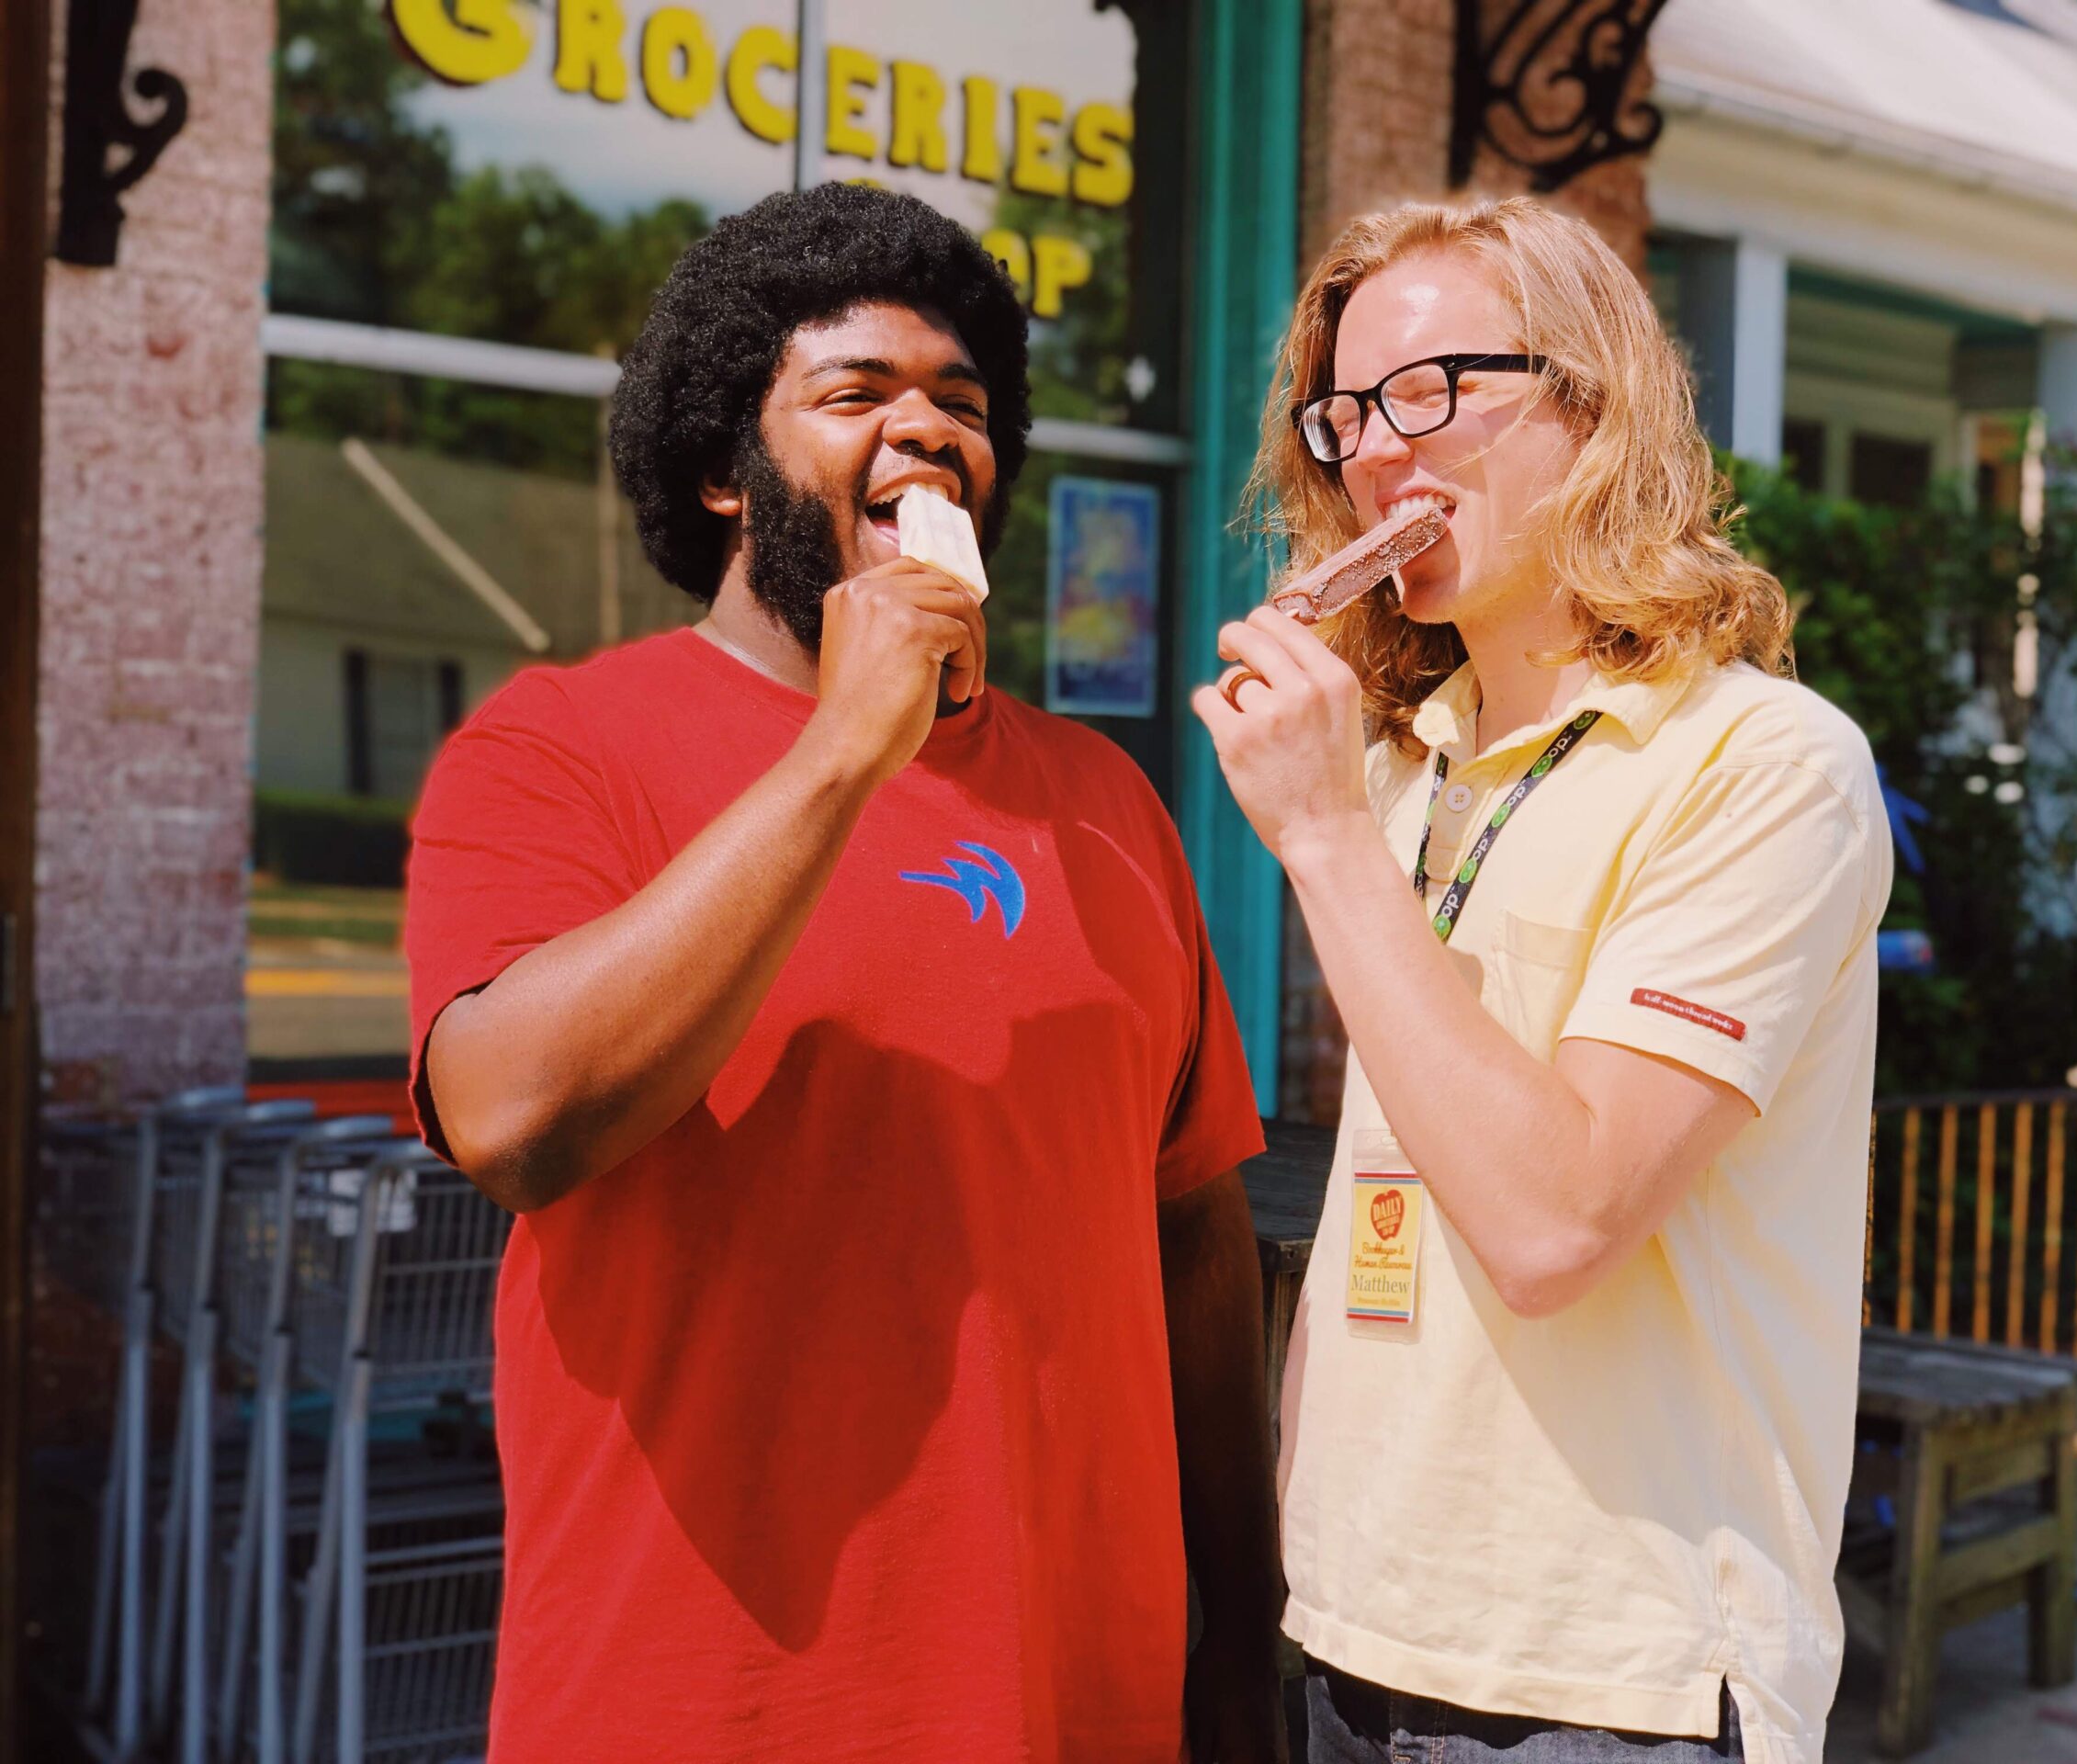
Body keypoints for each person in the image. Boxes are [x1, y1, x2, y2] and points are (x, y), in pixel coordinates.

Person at [405, 184, 1281, 1764]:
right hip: (710, 1704)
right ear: (720, 475)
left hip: (1085, 1697)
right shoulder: (557, 750)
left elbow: (1194, 1232)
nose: (927, 431)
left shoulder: (1108, 805)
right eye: (855, 395)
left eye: (961, 403)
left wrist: (1241, 1630)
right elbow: (513, 1124)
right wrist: (843, 757)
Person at [1192, 198, 1892, 1764]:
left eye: (1437, 388)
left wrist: (1316, 836)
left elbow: (1554, 1220)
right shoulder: (1403, 766)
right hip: (1358, 1637)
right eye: (1348, 410)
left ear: (1594, 403)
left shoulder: (1762, 765)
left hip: (1611, 1685)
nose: (1381, 448)